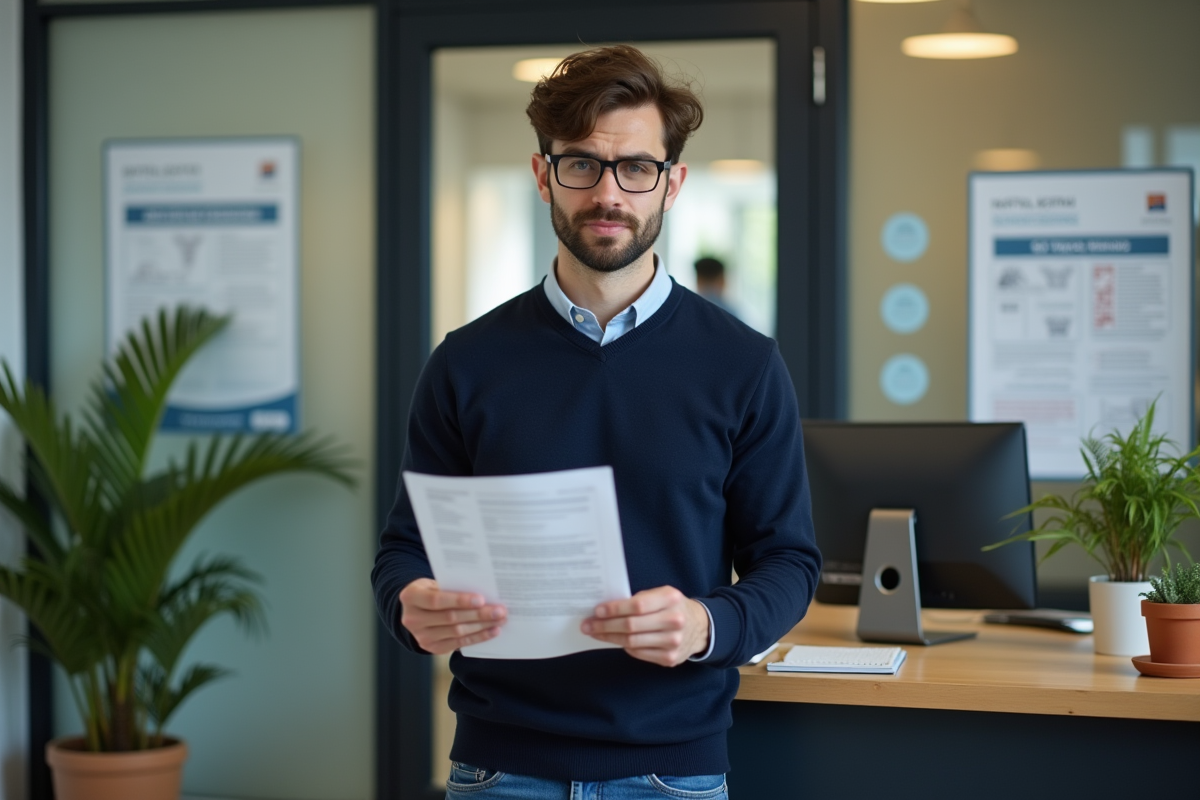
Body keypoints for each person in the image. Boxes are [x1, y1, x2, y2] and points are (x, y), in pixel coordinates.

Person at [371, 44, 821, 800]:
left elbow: (790, 565)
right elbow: (402, 551)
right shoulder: (465, 362)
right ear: (543, 173)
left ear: (671, 184)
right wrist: (409, 601)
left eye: (635, 168)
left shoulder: (743, 364)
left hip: (671, 770)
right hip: (497, 769)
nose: (608, 192)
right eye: (581, 164)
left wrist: (708, 625)